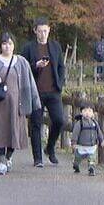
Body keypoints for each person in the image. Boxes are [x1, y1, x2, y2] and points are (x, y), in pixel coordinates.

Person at [0, 32, 41, 175]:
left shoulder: (22, 62)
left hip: (16, 106)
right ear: (0, 45)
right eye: (4, 43)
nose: (7, 46)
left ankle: (8, 158)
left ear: (14, 45)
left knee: (15, 132)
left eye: (10, 43)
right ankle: (1, 162)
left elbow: (30, 83)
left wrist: (35, 102)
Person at [19, 18, 66, 167]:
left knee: (59, 120)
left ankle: (50, 147)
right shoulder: (28, 48)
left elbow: (60, 67)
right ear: (35, 31)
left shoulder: (55, 46)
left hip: (53, 91)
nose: (43, 34)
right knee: (36, 125)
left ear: (49, 30)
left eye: (45, 31)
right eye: (40, 31)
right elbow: (23, 69)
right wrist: (36, 66)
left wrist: (60, 83)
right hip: (35, 92)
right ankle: (37, 158)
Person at [70, 104, 104, 176]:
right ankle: (76, 165)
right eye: (85, 111)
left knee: (92, 158)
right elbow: (75, 133)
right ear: (81, 113)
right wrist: (74, 142)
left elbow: (99, 132)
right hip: (81, 146)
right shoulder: (79, 123)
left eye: (89, 111)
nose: (87, 113)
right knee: (78, 158)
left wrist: (101, 140)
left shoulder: (95, 123)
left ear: (93, 113)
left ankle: (91, 168)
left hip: (92, 146)